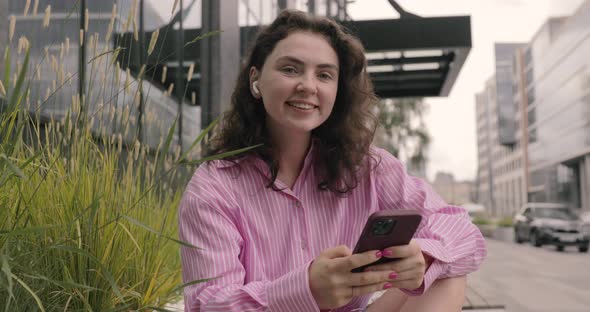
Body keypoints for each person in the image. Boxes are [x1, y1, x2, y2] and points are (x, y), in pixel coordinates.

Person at [178, 9, 486, 312]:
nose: (308, 86)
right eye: (290, 69)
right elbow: (209, 303)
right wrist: (305, 291)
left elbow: (464, 233)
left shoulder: (368, 167)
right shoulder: (214, 186)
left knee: (445, 271)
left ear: (338, 90)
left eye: (324, 74)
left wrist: (424, 258)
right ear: (256, 79)